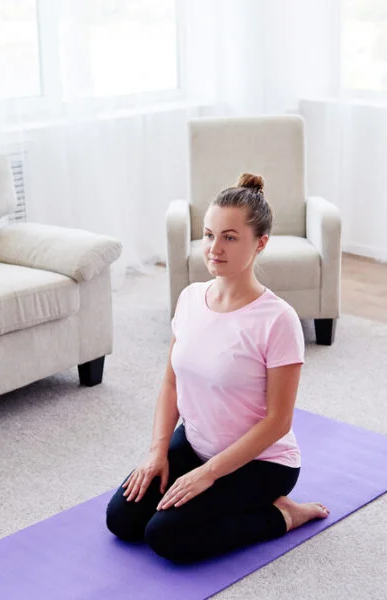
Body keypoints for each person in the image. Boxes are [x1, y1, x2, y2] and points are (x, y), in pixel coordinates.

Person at [105, 173, 329, 564]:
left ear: (260, 243)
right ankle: (212, 486)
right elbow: (172, 382)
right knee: (122, 520)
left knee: (166, 537)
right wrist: (158, 452)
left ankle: (283, 514)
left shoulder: (278, 320)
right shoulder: (190, 298)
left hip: (262, 462)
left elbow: (278, 422)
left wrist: (209, 474)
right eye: (209, 235)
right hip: (195, 443)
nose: (214, 248)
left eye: (229, 237)